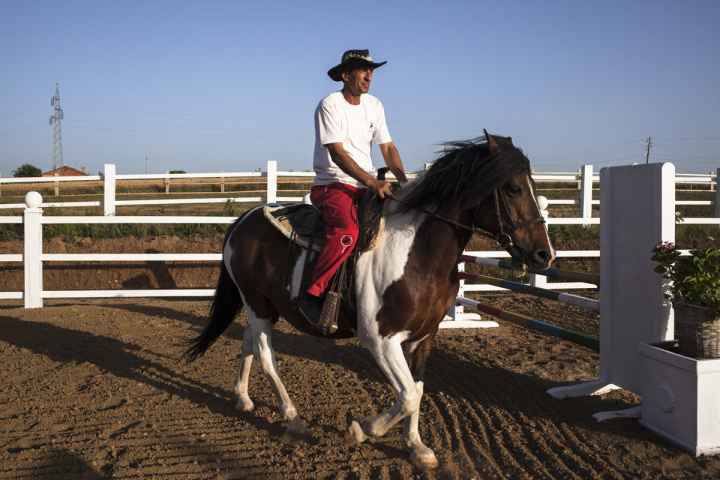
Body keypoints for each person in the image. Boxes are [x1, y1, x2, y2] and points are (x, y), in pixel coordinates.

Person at [298, 49, 408, 327]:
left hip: (365, 186)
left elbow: (388, 148)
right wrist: (372, 182)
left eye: (370, 70)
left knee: (400, 225)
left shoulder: (375, 106)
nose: (368, 74)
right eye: (361, 69)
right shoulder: (330, 105)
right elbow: (337, 154)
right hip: (333, 185)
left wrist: (405, 183)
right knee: (347, 232)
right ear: (345, 75)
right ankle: (312, 295)